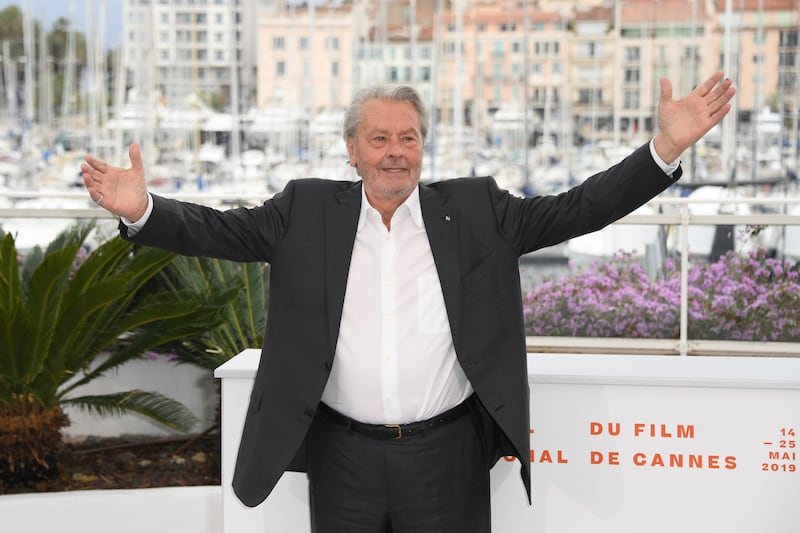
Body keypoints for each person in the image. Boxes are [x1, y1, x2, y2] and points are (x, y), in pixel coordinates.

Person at [82, 72, 735, 532]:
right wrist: (143, 209)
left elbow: (580, 208)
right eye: (379, 138)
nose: (395, 152)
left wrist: (665, 149)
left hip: (446, 456)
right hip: (341, 457)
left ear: (424, 145)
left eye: (409, 137)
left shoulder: (479, 211)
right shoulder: (305, 211)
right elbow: (216, 231)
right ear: (352, 149)